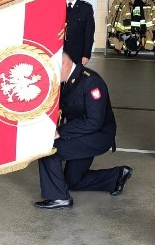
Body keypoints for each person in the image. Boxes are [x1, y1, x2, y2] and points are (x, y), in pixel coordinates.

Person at [35, 52, 133, 209]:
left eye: (53, 70)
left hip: (97, 136)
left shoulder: (91, 82)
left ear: (65, 65)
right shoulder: (65, 81)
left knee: (49, 150)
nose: (51, 75)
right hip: (80, 133)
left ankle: (59, 198)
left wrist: (61, 132)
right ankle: (116, 177)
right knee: (73, 181)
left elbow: (94, 122)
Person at [64, 0, 95, 65]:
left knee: (76, 78)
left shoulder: (86, 8)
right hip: (59, 53)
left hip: (77, 54)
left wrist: (86, 54)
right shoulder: (58, 6)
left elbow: (89, 33)